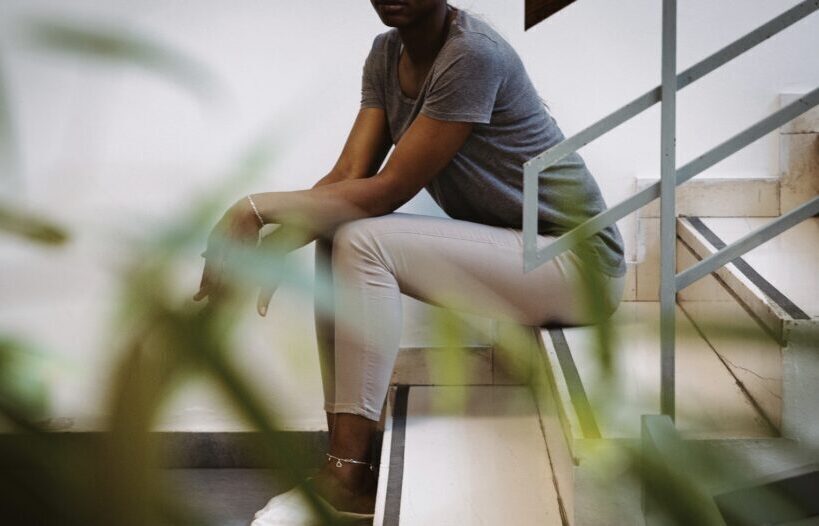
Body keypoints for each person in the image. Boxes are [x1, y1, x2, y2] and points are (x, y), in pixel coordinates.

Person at [194, 0, 626, 523]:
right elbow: (352, 173)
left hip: (576, 264)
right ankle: (345, 467)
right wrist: (278, 246)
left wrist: (253, 209)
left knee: (363, 240)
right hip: (519, 250)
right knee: (340, 233)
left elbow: (389, 190)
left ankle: (348, 473)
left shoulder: (472, 55)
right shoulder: (386, 54)